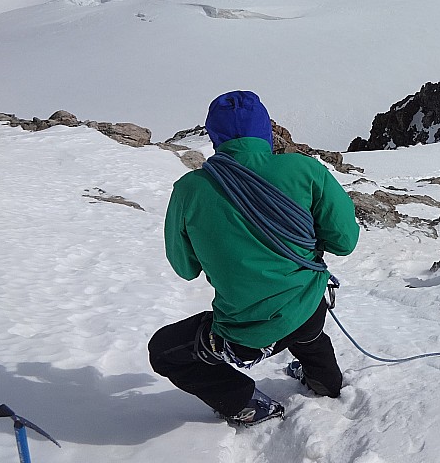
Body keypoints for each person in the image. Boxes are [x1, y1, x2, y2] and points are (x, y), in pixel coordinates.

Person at [149, 91, 359, 426]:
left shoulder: (190, 189)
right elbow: (344, 241)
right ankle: (327, 384)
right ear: (265, 129)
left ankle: (242, 402)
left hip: (246, 334)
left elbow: (185, 267)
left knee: (164, 351)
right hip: (309, 309)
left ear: (214, 135)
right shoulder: (305, 169)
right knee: (308, 334)